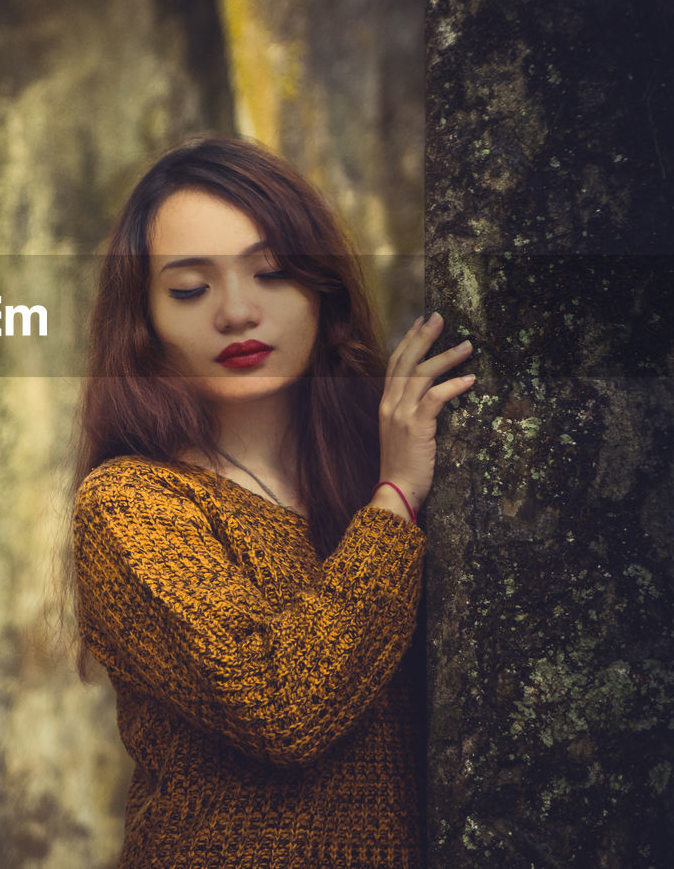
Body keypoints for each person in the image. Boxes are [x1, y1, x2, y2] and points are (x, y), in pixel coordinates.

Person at [72, 138, 474, 868]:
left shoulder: (367, 464)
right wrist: (394, 499)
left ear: (321, 287)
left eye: (272, 271)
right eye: (189, 288)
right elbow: (281, 704)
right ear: (146, 324)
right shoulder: (130, 503)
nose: (236, 311)